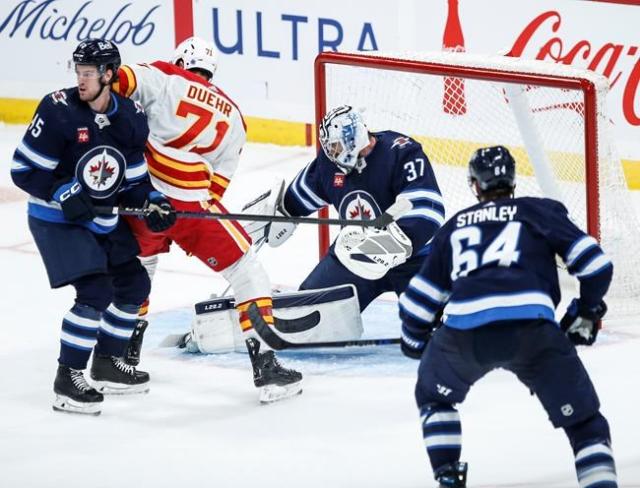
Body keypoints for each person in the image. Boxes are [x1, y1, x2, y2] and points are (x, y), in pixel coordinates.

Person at [399, 146, 617, 487]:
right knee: (586, 425)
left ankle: (447, 478)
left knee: (433, 396)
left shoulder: (455, 226)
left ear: (474, 185)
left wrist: (415, 341)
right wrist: (586, 311)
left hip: (464, 336)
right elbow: (597, 266)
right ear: (513, 180)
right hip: (535, 332)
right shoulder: (539, 211)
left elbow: (416, 303)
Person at [112, 36, 302, 403]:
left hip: (141, 205)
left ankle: (123, 355)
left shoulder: (164, 75)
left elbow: (114, 84)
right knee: (248, 271)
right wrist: (187, 226)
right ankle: (266, 368)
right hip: (191, 209)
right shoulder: (233, 116)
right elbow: (215, 188)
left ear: (180, 61)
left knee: (141, 268)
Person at [10, 39, 175, 415]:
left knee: (134, 283)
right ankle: (67, 379)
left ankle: (107, 363)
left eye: (88, 73)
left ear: (108, 75)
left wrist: (154, 201)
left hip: (102, 217)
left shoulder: (130, 116)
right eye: (78, 72)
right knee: (96, 291)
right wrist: (61, 190)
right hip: (56, 219)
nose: (80, 80)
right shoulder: (58, 111)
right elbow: (23, 171)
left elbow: (135, 181)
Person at [245, 105, 445, 312]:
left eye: (336, 147)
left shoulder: (401, 152)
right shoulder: (329, 164)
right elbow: (300, 196)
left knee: (443, 328)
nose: (332, 153)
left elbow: (427, 210)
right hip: (356, 254)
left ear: (354, 138)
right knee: (306, 311)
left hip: (415, 258)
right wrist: (279, 213)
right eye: (330, 148)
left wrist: (390, 244)